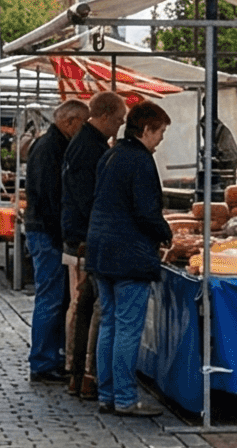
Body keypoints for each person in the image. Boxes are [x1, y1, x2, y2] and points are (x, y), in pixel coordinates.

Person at [88, 100, 174, 418]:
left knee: (110, 322)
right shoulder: (140, 161)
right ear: (147, 129)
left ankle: (107, 393)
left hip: (101, 250)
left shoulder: (110, 154)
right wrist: (165, 231)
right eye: (161, 131)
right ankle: (124, 396)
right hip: (129, 254)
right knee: (126, 327)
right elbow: (146, 210)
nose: (162, 139)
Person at [61, 92, 127, 401]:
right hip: (87, 235)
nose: (120, 124)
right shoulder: (90, 148)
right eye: (117, 119)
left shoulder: (88, 143)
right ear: (102, 116)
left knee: (87, 301)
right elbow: (88, 197)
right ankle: (87, 374)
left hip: (83, 232)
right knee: (96, 304)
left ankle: (79, 373)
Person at [22, 101, 84, 383]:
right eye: (82, 123)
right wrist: (62, 237)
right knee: (50, 297)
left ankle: (49, 357)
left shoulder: (49, 144)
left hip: (43, 230)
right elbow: (50, 197)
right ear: (70, 121)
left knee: (54, 297)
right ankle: (43, 362)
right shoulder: (51, 148)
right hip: (46, 233)